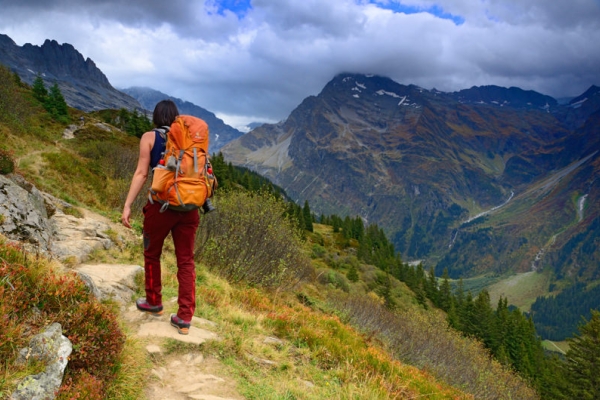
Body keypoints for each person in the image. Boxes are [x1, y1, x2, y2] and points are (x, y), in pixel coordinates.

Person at [121, 99, 198, 335]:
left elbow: (142, 173)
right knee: (185, 260)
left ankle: (154, 302)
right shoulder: (190, 139)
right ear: (176, 117)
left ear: (155, 117)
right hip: (189, 208)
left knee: (151, 253)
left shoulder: (149, 137)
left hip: (161, 207)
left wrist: (127, 205)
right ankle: (184, 318)